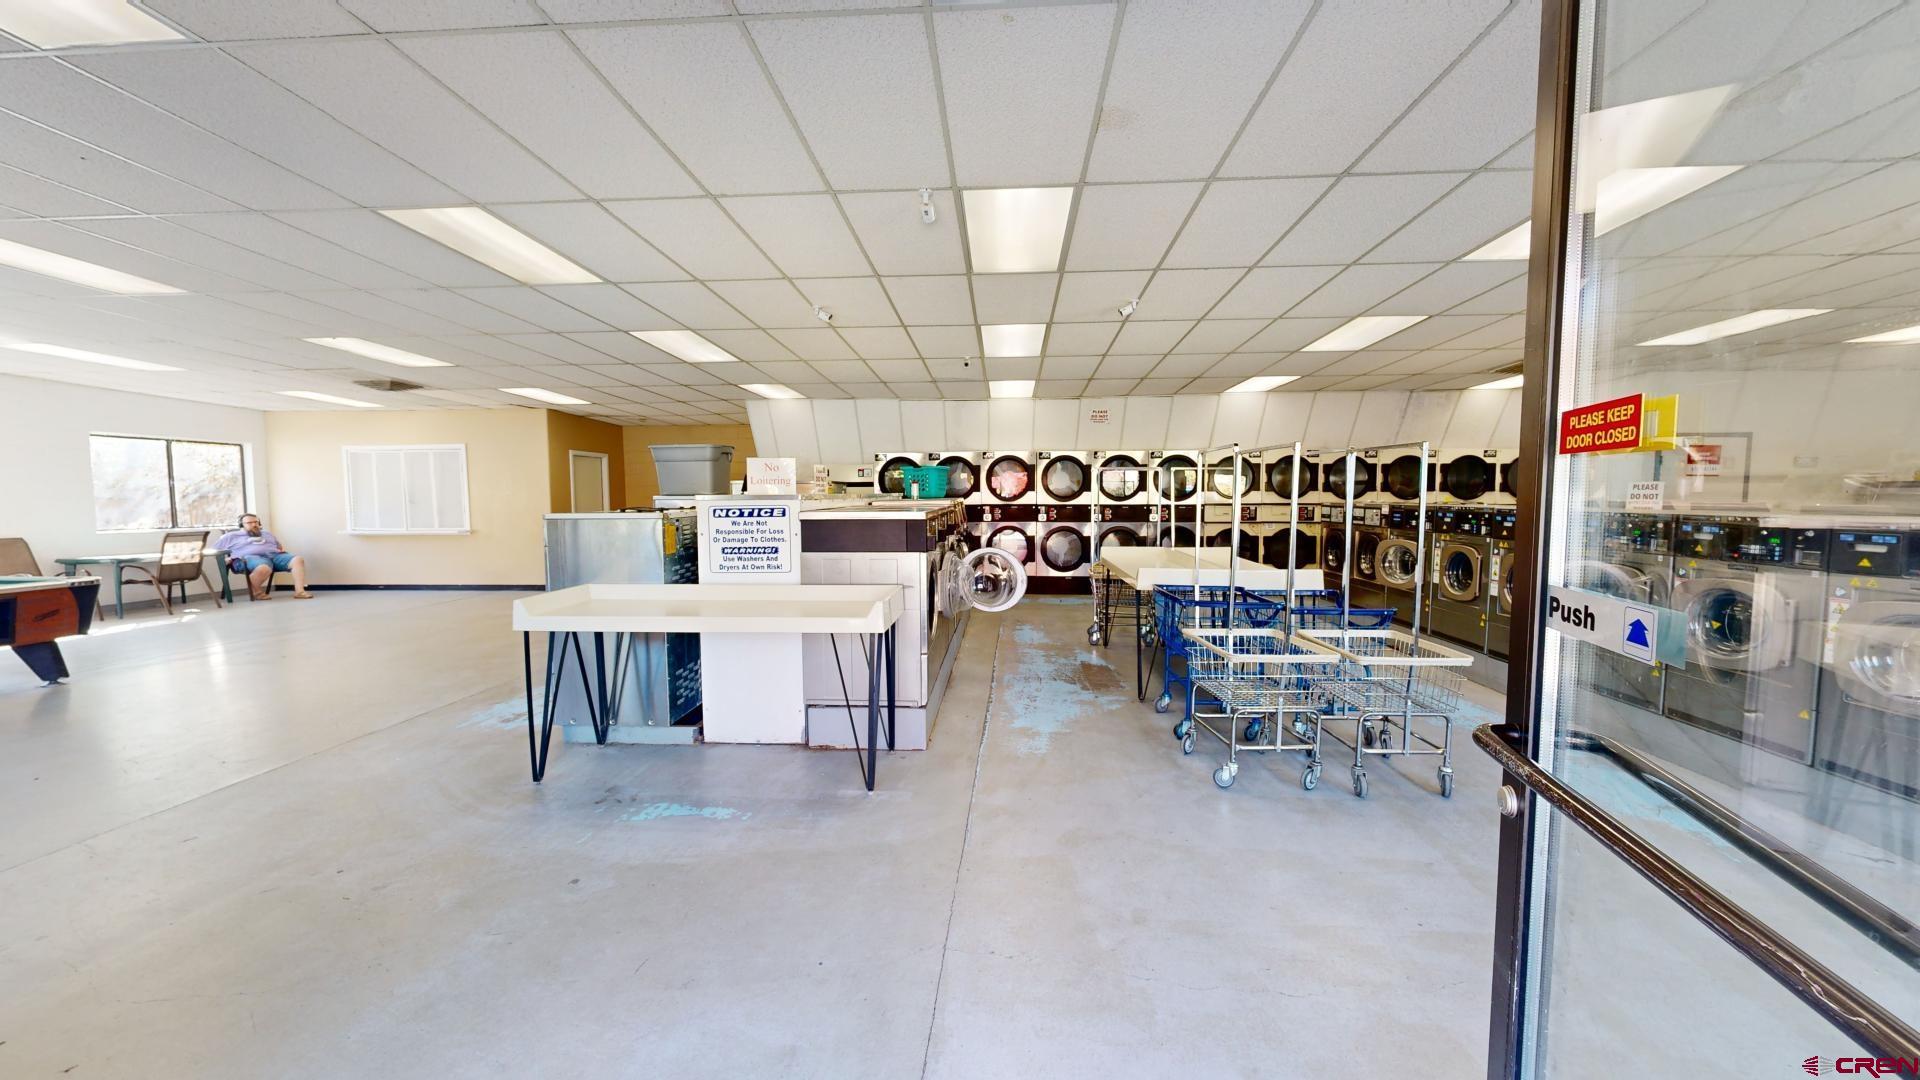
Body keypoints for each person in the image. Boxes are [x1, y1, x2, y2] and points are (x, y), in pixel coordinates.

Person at [213, 514, 313, 600]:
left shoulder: (267, 533)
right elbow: (214, 550)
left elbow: (279, 546)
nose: (254, 524)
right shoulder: (231, 536)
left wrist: (279, 551)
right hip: (248, 559)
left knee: (297, 560)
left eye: (256, 522)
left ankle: (300, 592)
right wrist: (226, 559)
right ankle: (257, 592)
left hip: (274, 556)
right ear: (241, 525)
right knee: (264, 567)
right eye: (250, 523)